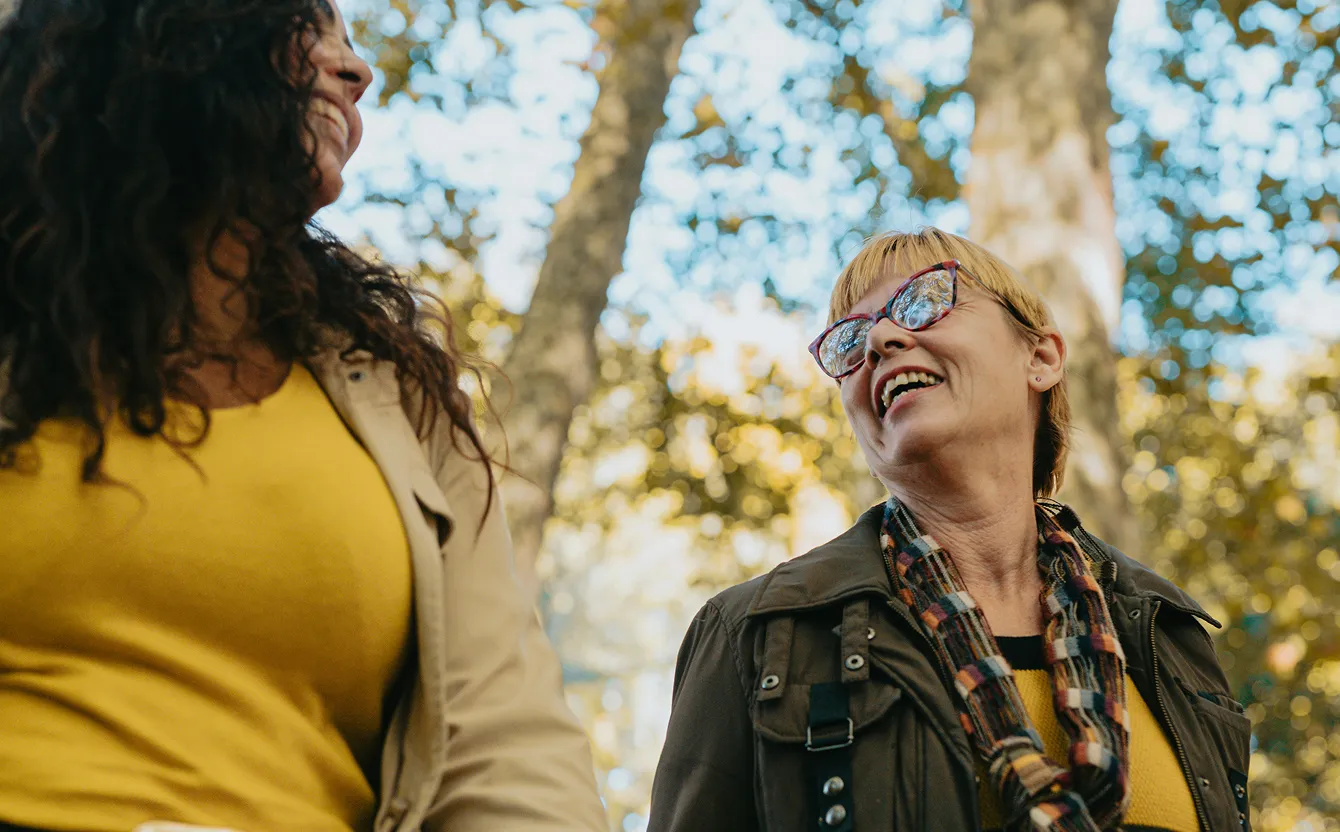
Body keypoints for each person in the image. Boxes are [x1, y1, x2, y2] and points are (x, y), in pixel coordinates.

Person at [0, 2, 606, 831]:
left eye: (353, 45)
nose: (357, 73)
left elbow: (510, 757)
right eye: (306, 29)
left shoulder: (402, 401)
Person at [648, 228, 1252, 832]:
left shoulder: (1170, 636)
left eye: (923, 300)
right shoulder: (756, 634)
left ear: (1039, 358)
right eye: (850, 343)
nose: (881, 340)